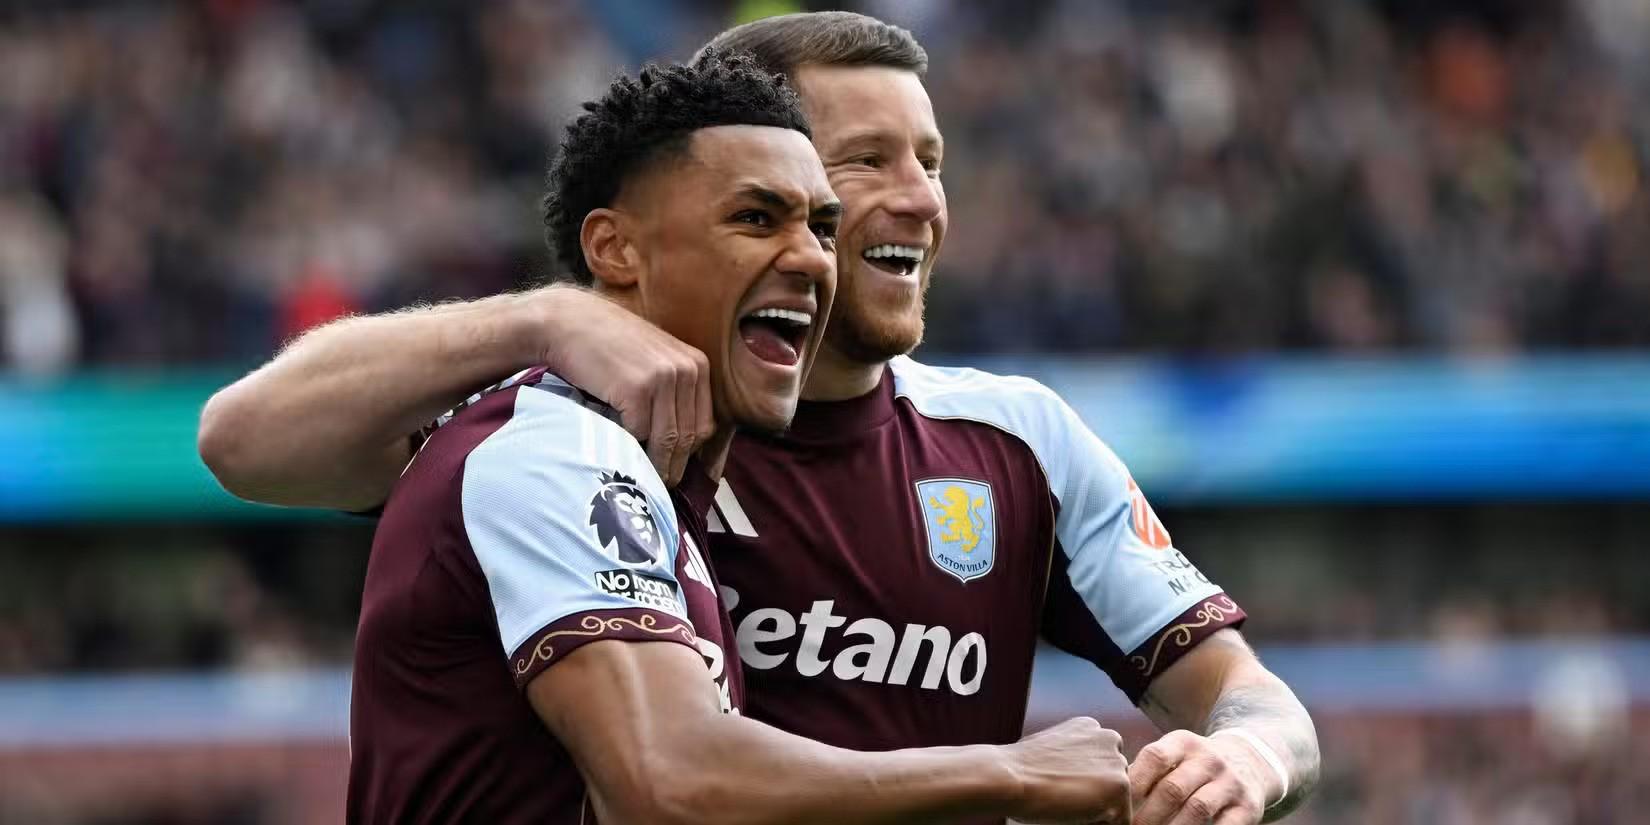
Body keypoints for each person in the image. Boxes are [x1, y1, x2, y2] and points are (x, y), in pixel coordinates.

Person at [200, 13, 1319, 825]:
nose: (920, 198)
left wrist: (1248, 760)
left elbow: (1252, 698)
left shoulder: (1017, 441)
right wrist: (543, 315)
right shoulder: (569, 434)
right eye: (864, 161)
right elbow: (245, 440)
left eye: (931, 161)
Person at [345, 51, 1129, 825]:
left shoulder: (661, 484)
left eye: (822, 225)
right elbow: (669, 781)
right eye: (755, 218)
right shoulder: (559, 449)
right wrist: (1013, 772)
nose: (811, 257)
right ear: (616, 249)